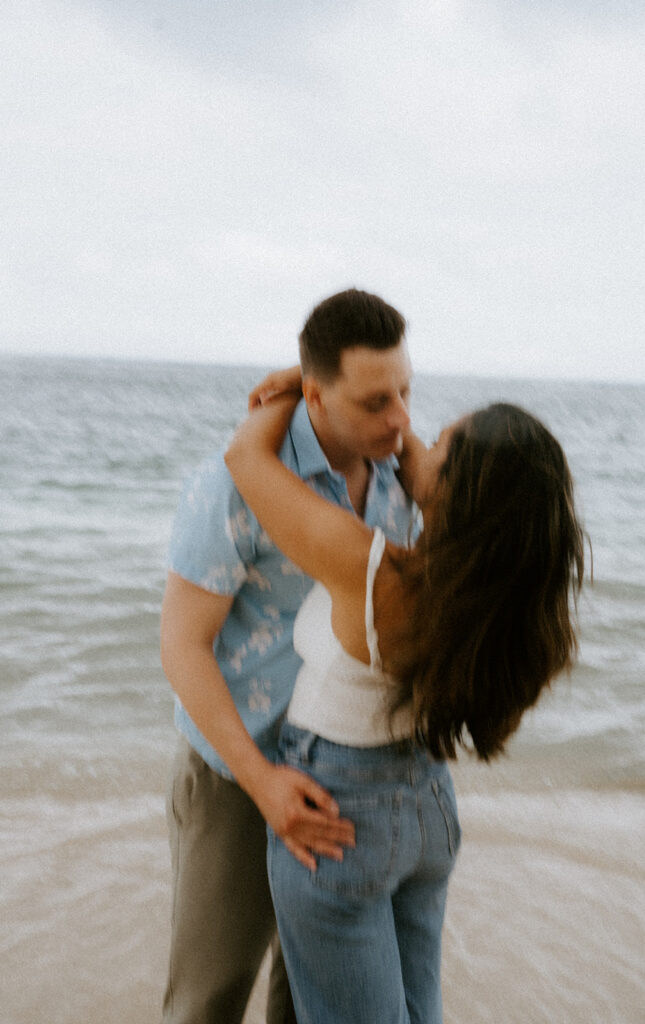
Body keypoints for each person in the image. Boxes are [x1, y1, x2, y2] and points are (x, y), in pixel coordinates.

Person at [224, 391, 585, 1024]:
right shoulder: (499, 600)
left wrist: (308, 386)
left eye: (439, 444)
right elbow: (432, 468)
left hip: (343, 814)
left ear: (459, 490)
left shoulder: (370, 568)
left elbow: (245, 458)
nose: (414, 444)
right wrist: (393, 419)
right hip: (427, 810)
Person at [160, 289, 418, 1023]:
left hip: (347, 775)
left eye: (406, 392)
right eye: (375, 401)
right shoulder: (232, 483)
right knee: (207, 1000)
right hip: (235, 774)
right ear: (314, 394)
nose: (399, 418)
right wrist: (263, 783)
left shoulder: (400, 480)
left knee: (311, 1003)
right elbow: (182, 646)